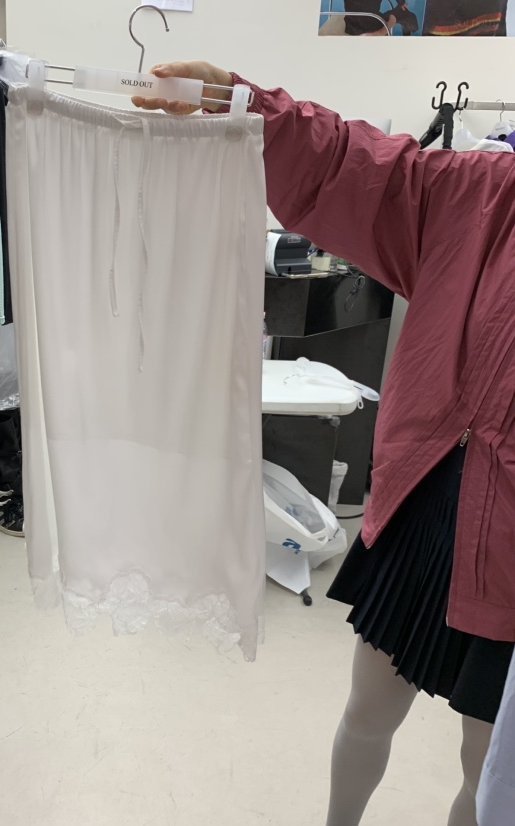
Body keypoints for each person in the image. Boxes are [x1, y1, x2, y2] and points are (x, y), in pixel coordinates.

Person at [133, 63, 515, 826]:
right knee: (369, 709)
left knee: (491, 769)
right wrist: (252, 110)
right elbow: (359, 168)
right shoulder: (483, 191)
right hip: (423, 498)